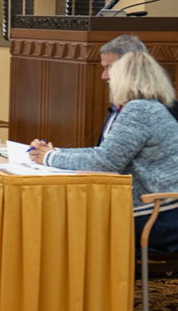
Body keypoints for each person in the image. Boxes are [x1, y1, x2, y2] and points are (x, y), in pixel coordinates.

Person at [30, 51, 178, 252]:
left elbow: (104, 162)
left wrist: (49, 157)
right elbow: (104, 152)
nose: (105, 79)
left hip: (155, 216)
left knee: (64, 218)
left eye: (111, 73)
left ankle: (79, 281)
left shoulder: (139, 110)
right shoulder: (152, 107)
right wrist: (54, 152)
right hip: (163, 210)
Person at [96, 36, 178, 143]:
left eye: (110, 67)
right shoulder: (121, 101)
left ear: (133, 66)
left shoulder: (157, 109)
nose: (104, 76)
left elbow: (111, 156)